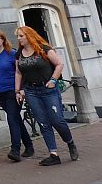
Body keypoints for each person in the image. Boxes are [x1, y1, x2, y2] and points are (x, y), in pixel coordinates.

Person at [15, 25, 78, 166]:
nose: (18, 39)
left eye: (21, 36)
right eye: (18, 36)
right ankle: (53, 154)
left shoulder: (43, 49)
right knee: (43, 122)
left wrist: (53, 80)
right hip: (31, 90)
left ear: (29, 36)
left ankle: (70, 142)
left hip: (48, 89)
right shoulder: (19, 53)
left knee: (57, 120)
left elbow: (59, 64)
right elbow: (18, 73)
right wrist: (18, 90)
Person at [0, 30, 34, 162]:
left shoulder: (12, 53)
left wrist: (20, 90)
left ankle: (15, 150)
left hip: (12, 91)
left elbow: (20, 72)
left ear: (3, 39)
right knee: (16, 119)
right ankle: (29, 146)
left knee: (12, 119)